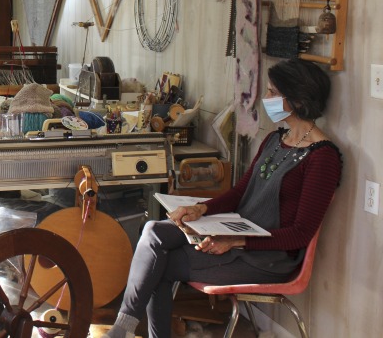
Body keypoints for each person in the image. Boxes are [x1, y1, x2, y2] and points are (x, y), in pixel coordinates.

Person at [106, 59, 342, 338]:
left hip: (267, 257)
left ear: (297, 100)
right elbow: (240, 192)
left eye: (272, 93)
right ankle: (121, 330)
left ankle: (120, 332)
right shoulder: (275, 140)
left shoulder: (322, 157)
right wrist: (201, 209)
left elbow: (300, 235)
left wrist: (235, 240)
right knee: (154, 230)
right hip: (237, 231)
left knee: (158, 267)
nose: (265, 99)